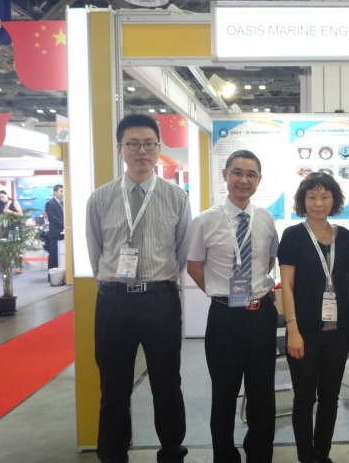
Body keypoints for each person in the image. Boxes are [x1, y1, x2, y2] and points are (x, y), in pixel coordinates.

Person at [85, 114, 191, 463]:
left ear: (158, 148)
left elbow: (181, 250)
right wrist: (115, 281)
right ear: (120, 149)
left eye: (148, 144)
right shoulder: (100, 198)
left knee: (167, 383)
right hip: (113, 301)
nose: (141, 151)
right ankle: (113, 456)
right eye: (133, 144)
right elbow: (96, 252)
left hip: (160, 298)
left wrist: (158, 282)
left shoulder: (177, 197)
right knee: (113, 387)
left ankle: (172, 453)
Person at [187, 149, 279, 463]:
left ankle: (259, 454)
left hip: (262, 315)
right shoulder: (205, 220)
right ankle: (225, 456)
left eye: (251, 174)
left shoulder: (265, 219)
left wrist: (252, 291)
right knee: (224, 393)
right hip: (224, 318)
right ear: (225, 175)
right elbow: (194, 266)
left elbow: (269, 261)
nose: (243, 180)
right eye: (237, 172)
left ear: (259, 180)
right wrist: (220, 296)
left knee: (262, 393)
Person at [278, 171, 349, 463]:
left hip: (339, 333)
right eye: (312, 197)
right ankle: (306, 456)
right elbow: (287, 286)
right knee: (304, 399)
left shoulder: (344, 237)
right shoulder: (293, 236)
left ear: (334, 200)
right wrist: (293, 330)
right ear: (303, 200)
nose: (318, 203)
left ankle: (323, 453)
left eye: (324, 196)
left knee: (330, 398)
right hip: (304, 331)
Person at [0, 190, 24, 273]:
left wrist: (10, 212)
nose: (1, 199)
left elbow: (21, 214)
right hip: (5, 227)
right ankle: (8, 266)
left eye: (2, 197)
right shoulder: (1, 205)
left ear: (7, 195)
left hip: (14, 226)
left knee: (15, 248)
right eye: (0, 198)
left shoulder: (14, 202)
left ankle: (18, 267)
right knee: (5, 248)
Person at [45, 184, 65, 273]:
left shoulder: (62, 203)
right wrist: (65, 225)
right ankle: (52, 275)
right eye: (61, 191)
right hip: (55, 233)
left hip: (63, 233)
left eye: (63, 191)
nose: (63, 193)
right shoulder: (50, 203)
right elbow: (53, 218)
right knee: (54, 255)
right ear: (55, 192)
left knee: (61, 255)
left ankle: (61, 274)